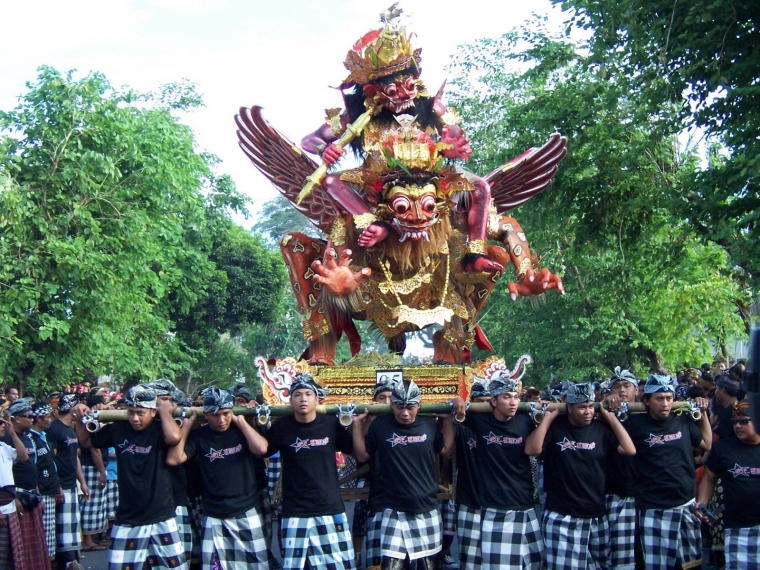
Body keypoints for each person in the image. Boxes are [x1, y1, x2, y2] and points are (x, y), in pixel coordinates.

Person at [73, 385, 188, 570]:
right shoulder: (119, 428)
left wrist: (165, 412)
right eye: (131, 412)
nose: (135, 418)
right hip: (128, 515)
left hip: (161, 514)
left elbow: (174, 438)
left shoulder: (161, 428)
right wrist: (80, 419)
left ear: (152, 411)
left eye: (140, 413)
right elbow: (87, 441)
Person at [524, 382, 635, 570]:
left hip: (596, 515)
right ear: (569, 407)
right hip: (561, 515)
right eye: (582, 407)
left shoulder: (601, 429)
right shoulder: (556, 427)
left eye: (591, 407)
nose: (588, 412)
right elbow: (532, 449)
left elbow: (629, 449)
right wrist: (548, 420)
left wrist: (610, 418)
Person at [353, 379, 454, 569]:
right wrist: (357, 425)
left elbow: (445, 450)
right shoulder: (381, 425)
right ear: (392, 405)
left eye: (410, 407)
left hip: (427, 508)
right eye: (399, 407)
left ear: (419, 404)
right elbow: (362, 455)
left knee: (428, 565)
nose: (405, 413)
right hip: (393, 509)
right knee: (392, 565)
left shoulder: (429, 424)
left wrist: (447, 420)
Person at [168, 387, 270, 569]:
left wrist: (241, 422)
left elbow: (261, 449)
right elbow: (175, 458)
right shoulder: (200, 435)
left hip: (246, 508)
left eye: (226, 413)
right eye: (215, 415)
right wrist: (187, 427)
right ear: (206, 415)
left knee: (256, 565)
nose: (222, 420)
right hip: (214, 512)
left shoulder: (241, 431)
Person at [451, 374, 544, 570]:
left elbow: (534, 448)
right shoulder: (476, 421)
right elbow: (449, 414)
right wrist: (455, 400)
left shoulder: (525, 419)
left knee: (533, 562)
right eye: (506, 397)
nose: (512, 402)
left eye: (516, 397)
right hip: (487, 504)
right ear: (493, 401)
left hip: (522, 502)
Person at [265, 373, 356, 570]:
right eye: (297, 394)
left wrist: (357, 422)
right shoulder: (282, 427)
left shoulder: (331, 424)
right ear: (290, 400)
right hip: (294, 509)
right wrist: (248, 419)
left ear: (317, 399)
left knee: (337, 565)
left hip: (329, 506)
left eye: (308, 394)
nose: (303, 399)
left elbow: (352, 450)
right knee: (297, 565)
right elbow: (263, 449)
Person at [625, 374, 711, 570]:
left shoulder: (682, 420)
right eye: (659, 398)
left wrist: (703, 412)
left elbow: (706, 443)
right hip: (653, 506)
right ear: (646, 400)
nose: (665, 403)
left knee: (691, 565)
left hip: (685, 503)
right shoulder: (635, 424)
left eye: (669, 398)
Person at [697, 400, 760, 570]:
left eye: (744, 421)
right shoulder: (723, 448)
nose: (738, 426)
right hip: (736, 527)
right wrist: (701, 503)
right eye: (734, 422)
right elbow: (709, 478)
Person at [2, 398, 49, 569]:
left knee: (34, 542)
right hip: (18, 497)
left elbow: (29, 463)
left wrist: (38, 494)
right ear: (16, 419)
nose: (31, 419)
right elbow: (7, 473)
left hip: (32, 493)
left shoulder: (27, 438)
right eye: (28, 416)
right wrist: (13, 498)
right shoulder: (5, 438)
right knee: (21, 546)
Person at [47, 393, 88, 570]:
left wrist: (83, 482)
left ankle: (72, 560)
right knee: (61, 526)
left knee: (71, 525)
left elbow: (75, 458)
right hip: (61, 484)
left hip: (72, 484)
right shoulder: (54, 429)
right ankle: (63, 562)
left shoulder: (71, 429)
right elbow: (51, 459)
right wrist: (57, 485)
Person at [359, 375, 395, 570]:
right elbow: (360, 452)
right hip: (378, 496)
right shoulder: (372, 423)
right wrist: (370, 418)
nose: (387, 402)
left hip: (408, 501)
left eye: (391, 397)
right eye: (382, 398)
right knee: (377, 559)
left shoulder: (406, 420)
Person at [604, 367, 638, 570]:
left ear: (637, 390)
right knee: (610, 551)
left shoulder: (647, 415)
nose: (622, 390)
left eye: (627, 386)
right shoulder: (601, 415)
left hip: (641, 491)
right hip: (609, 491)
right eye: (617, 386)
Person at [30, 400, 61, 562]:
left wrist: (58, 487)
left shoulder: (42, 437)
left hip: (51, 488)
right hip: (42, 490)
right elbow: (32, 469)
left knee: (49, 531)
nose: (50, 420)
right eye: (47, 417)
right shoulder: (31, 439)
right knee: (44, 532)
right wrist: (38, 494)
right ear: (38, 419)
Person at [0, 412, 29, 568]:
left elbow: (23, 456)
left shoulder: (3, 447)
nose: (4, 425)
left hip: (9, 506)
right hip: (0, 508)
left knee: (12, 557)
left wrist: (13, 434)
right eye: (0, 423)